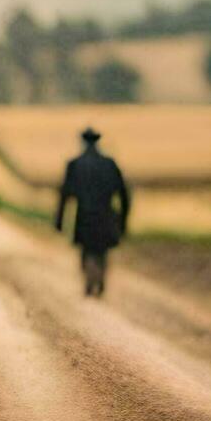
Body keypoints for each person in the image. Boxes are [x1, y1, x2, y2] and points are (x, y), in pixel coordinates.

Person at [54, 127, 130, 297]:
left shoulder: (74, 165)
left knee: (87, 250)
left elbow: (65, 196)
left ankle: (90, 277)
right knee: (102, 251)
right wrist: (123, 221)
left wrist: (59, 221)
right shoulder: (109, 164)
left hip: (84, 217)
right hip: (106, 215)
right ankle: (98, 276)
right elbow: (124, 195)